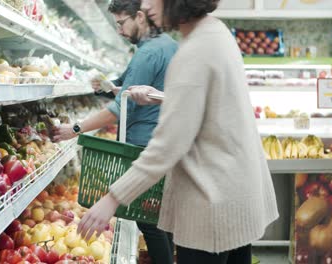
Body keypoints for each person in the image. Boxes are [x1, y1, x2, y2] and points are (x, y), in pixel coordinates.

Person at [77, 0, 279, 264]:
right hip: (239, 196)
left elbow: (167, 145)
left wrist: (113, 198)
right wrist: (164, 97)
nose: (146, 6)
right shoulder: (216, 32)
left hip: (211, 206)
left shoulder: (193, 51)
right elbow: (209, 106)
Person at [52, 0, 178, 263]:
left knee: (149, 223)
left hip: (143, 145)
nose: (119, 31)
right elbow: (131, 85)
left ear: (140, 17)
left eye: (122, 23)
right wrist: (108, 85)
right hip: (161, 141)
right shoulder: (164, 45)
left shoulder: (148, 53)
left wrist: (75, 128)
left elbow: (118, 109)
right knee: (158, 220)